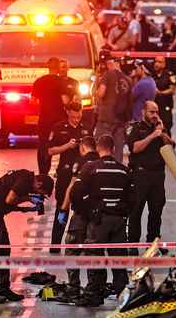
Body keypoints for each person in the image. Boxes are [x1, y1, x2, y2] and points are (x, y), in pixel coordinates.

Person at [71, 135, 133, 307]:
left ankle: (94, 294)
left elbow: (75, 193)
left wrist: (88, 213)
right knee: (119, 258)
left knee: (95, 257)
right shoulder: (123, 170)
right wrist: (123, 213)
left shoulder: (91, 168)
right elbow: (132, 197)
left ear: (98, 149)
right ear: (112, 149)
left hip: (98, 221)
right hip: (119, 221)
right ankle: (123, 295)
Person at [0, 170, 53, 303]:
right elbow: (10, 199)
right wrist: (28, 198)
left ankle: (2, 289)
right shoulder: (25, 179)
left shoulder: (25, 178)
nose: (38, 195)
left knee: (3, 250)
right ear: (39, 184)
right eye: (41, 193)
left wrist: (28, 201)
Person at [127, 101, 174, 255]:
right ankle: (132, 244)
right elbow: (135, 148)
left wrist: (162, 131)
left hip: (157, 175)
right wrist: (153, 135)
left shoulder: (160, 129)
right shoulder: (135, 128)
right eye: (151, 112)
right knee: (136, 211)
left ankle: (153, 243)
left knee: (156, 211)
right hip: (140, 175)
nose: (154, 115)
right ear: (143, 112)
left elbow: (171, 145)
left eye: (156, 112)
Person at [47, 101, 91, 254]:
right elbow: (50, 150)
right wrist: (67, 146)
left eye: (78, 117)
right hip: (65, 174)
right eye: (73, 117)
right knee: (62, 208)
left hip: (82, 174)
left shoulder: (86, 128)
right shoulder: (59, 128)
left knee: (83, 210)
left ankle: (81, 244)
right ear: (67, 112)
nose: (76, 120)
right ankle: (55, 244)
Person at [61, 136, 100, 299]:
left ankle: (73, 287)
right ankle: (94, 288)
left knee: (71, 249)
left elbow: (72, 186)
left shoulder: (81, 162)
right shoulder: (101, 161)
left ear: (83, 147)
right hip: (97, 215)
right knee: (93, 252)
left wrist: (63, 209)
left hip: (80, 215)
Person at [95, 57, 133, 163]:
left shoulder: (108, 75)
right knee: (118, 155)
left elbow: (101, 93)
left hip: (105, 121)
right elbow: (130, 104)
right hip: (120, 124)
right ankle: (116, 175)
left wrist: (97, 84)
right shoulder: (129, 80)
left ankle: (100, 174)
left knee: (100, 151)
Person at [32, 57, 63, 175]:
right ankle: (62, 171)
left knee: (43, 145)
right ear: (58, 68)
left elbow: (33, 101)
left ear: (48, 67)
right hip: (59, 119)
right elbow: (65, 101)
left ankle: (43, 172)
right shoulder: (62, 82)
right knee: (63, 145)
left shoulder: (39, 81)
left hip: (44, 119)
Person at [153, 56, 176, 136]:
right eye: (155, 61)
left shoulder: (170, 74)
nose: (156, 64)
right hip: (154, 105)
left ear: (164, 64)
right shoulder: (151, 74)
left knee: (166, 125)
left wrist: (160, 93)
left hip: (166, 104)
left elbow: (172, 90)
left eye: (159, 62)